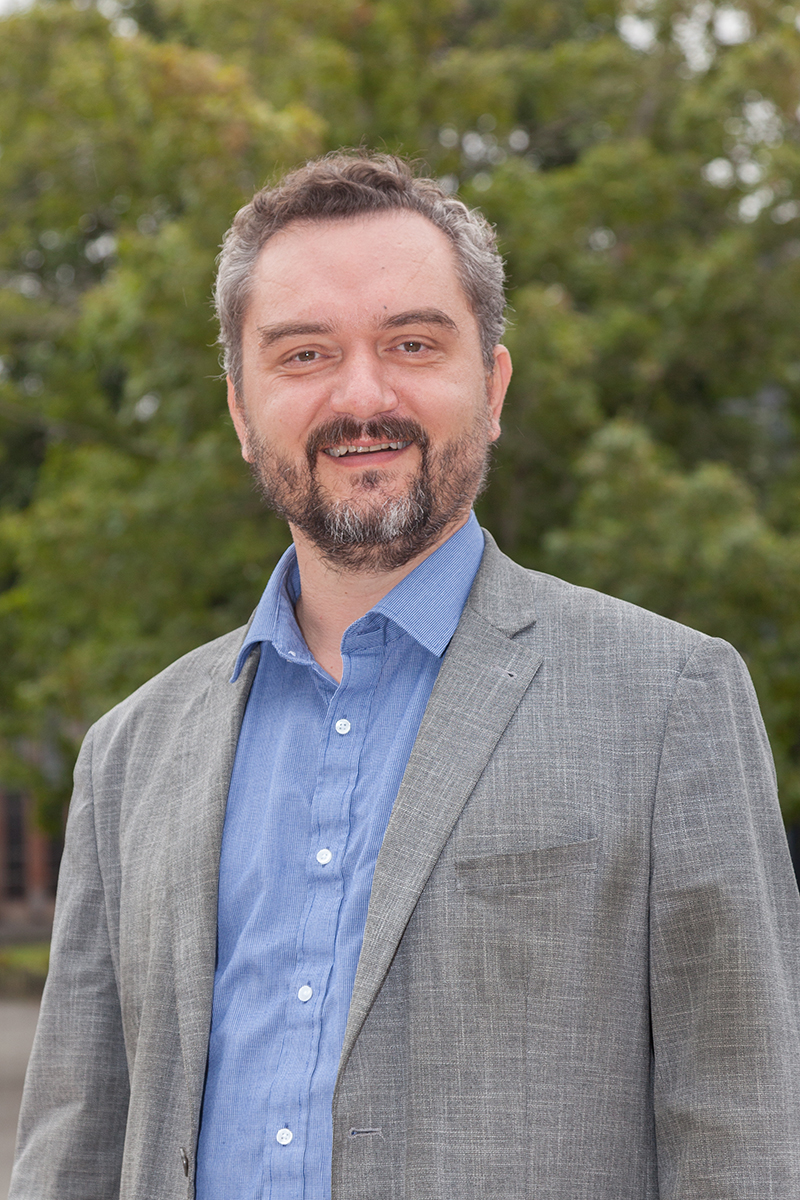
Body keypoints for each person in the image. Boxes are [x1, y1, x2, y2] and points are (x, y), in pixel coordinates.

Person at [10, 153, 800, 1200]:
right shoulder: (128, 754)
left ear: (492, 386)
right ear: (241, 410)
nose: (362, 395)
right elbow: (71, 1150)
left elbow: (747, 1137)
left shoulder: (670, 702)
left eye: (412, 344)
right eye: (304, 354)